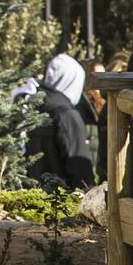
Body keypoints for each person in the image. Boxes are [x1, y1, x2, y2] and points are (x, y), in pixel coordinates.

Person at [24, 52, 97, 189]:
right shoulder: (66, 114)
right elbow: (80, 168)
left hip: (33, 193)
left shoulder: (32, 107)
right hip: (61, 198)